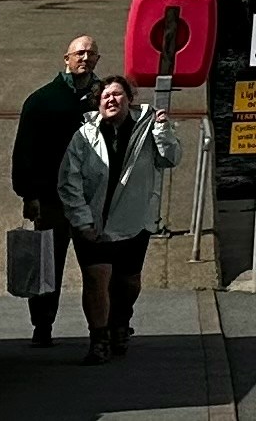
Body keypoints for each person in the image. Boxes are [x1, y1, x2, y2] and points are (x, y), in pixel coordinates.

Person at [52, 72, 172, 362]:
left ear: (130, 100)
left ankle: (120, 322)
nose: (110, 99)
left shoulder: (148, 128)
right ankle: (99, 339)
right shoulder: (84, 135)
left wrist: (162, 132)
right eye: (105, 96)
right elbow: (69, 180)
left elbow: (169, 159)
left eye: (117, 94)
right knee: (96, 279)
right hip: (93, 224)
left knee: (128, 282)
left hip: (134, 222)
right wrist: (81, 220)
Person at [7, 34, 97, 347]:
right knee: (47, 264)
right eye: (79, 53)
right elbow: (24, 153)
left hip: (92, 200)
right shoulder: (42, 101)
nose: (84, 58)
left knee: (98, 268)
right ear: (66, 59)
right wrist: (27, 194)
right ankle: (42, 326)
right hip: (51, 200)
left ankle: (102, 329)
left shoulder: (105, 98)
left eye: (90, 54)